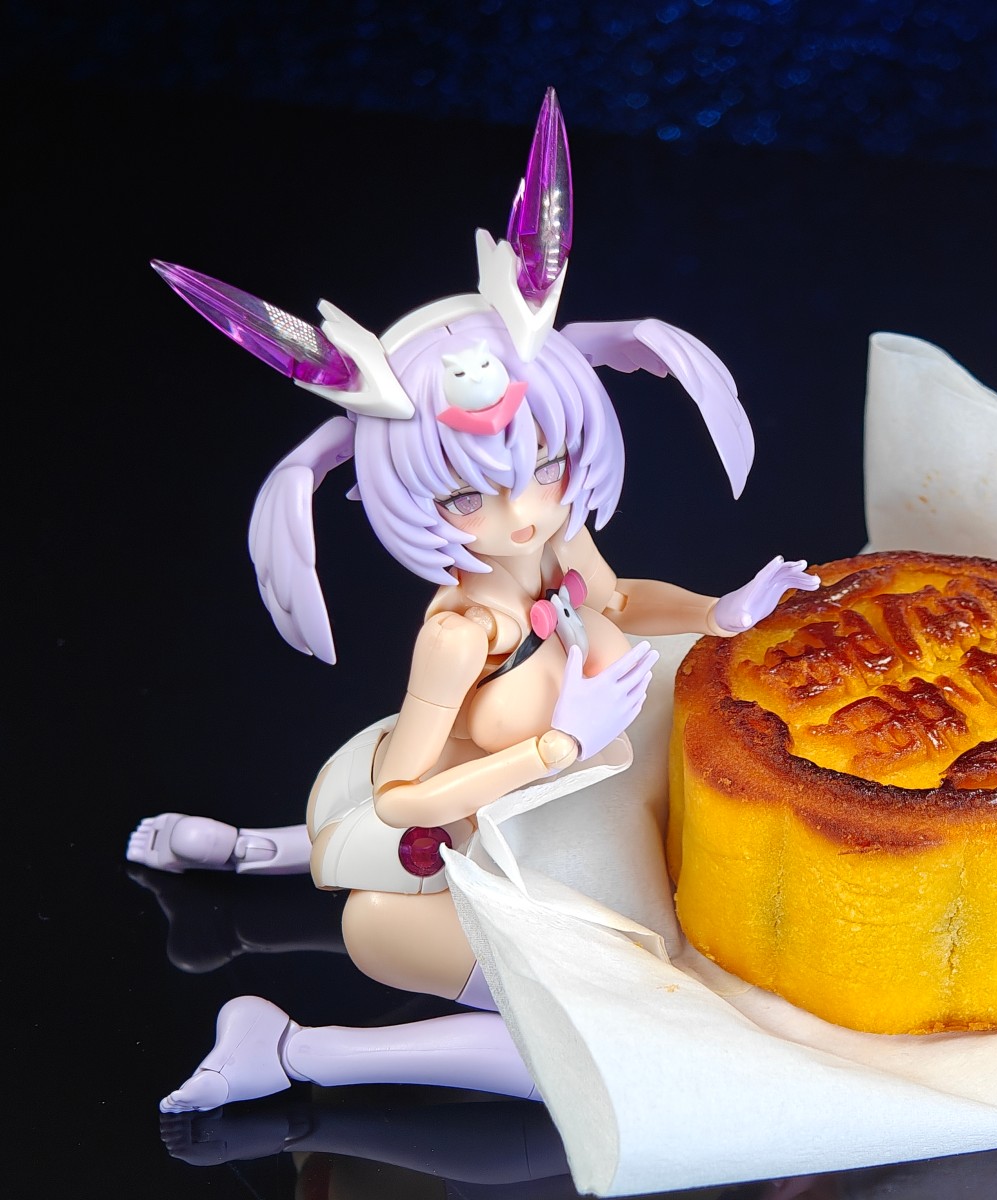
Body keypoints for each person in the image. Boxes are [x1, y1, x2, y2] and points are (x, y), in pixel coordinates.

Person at [133, 90, 816, 1112]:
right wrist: (561, 742)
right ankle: (289, 1048)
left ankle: (250, 849)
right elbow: (402, 798)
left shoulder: (561, 541)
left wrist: (719, 611)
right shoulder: (461, 632)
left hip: (576, 814)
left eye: (544, 466)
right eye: (469, 495)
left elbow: (618, 596)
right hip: (464, 852)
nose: (525, 512)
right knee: (591, 1047)